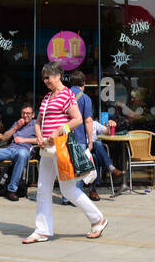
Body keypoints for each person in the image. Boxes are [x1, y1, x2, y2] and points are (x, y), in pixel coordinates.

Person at [23, 63, 107, 244]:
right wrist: (38, 136)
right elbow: (38, 121)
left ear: (59, 75)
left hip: (60, 148)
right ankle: (42, 230)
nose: (46, 81)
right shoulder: (46, 97)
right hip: (46, 149)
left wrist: (59, 130)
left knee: (68, 189)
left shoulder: (67, 94)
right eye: (44, 78)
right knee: (43, 189)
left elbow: (77, 119)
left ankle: (97, 219)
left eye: (48, 77)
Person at [66, 70, 101, 202]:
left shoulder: (63, 95)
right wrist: (90, 140)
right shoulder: (85, 98)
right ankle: (76, 198)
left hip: (63, 137)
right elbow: (88, 120)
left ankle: (65, 197)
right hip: (79, 138)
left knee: (67, 167)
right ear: (83, 83)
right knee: (78, 169)